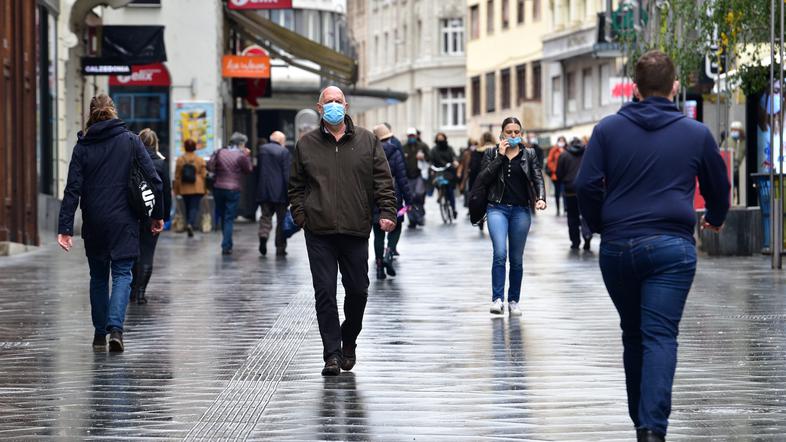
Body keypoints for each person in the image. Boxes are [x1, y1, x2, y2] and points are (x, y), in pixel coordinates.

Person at [575, 50, 730, 442]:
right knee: (660, 335)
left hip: (618, 247)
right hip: (670, 248)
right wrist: (715, 215)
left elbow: (586, 185)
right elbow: (718, 185)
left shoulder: (608, 130)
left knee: (633, 333)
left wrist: (599, 225)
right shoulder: (695, 133)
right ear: (674, 87)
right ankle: (651, 429)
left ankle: (640, 421)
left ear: (635, 87)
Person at [289, 86, 397, 376]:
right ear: (320, 107)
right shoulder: (306, 144)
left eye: (339, 101)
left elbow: (383, 181)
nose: (334, 105)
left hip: (355, 229)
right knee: (324, 292)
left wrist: (387, 212)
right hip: (319, 231)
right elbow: (296, 186)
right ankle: (332, 354)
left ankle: (349, 340)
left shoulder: (368, 141)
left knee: (358, 291)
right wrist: (302, 216)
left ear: (346, 106)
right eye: (329, 102)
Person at [57, 95, 164, 352]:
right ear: (114, 112)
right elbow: (154, 179)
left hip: (94, 220)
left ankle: (98, 334)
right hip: (124, 219)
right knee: (122, 274)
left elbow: (72, 189)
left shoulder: (82, 146)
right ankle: (116, 329)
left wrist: (65, 228)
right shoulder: (131, 141)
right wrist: (156, 215)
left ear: (91, 114)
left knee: (98, 276)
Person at [476, 117, 547, 316]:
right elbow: (482, 178)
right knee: (500, 253)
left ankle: (514, 300)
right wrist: (499, 156)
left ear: (521, 133)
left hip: (520, 211)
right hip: (497, 209)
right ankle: (497, 299)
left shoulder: (529, 154)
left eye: (517, 132)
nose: (514, 135)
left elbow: (537, 177)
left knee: (516, 259)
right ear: (502, 133)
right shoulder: (491, 152)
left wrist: (540, 198)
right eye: (509, 132)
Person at [130, 129, 171, 305]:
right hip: (152, 213)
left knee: (132, 252)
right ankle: (140, 293)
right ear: (155, 144)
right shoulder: (160, 164)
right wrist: (163, 215)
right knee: (147, 253)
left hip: (131, 212)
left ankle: (132, 288)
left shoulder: (131, 160)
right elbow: (165, 191)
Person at [372, 124, 413, 279]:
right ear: (389, 137)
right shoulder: (395, 152)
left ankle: (379, 266)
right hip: (393, 195)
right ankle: (389, 253)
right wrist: (409, 200)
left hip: (374, 197)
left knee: (378, 234)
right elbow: (402, 179)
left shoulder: (370, 153)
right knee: (395, 227)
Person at [207, 132, 253, 255]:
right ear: (241, 144)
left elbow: (210, 166)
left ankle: (228, 242)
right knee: (229, 218)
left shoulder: (220, 151)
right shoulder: (241, 155)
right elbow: (248, 169)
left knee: (223, 216)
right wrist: (247, 156)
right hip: (233, 189)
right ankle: (226, 245)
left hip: (218, 187)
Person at [256, 131, 291, 257]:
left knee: (265, 216)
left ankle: (263, 236)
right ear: (281, 141)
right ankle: (280, 248)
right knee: (281, 221)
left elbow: (258, 170)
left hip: (264, 190)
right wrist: (290, 192)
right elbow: (287, 175)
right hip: (280, 192)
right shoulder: (284, 152)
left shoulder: (262, 150)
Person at [556, 137, 592, 251]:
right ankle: (587, 235)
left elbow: (559, 173)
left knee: (572, 217)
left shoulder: (564, 155)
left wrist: (565, 181)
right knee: (586, 214)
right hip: (585, 189)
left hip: (570, 190)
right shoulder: (588, 153)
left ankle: (575, 242)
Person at [174, 139, 207, 237]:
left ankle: (189, 223)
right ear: (195, 148)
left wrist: (176, 190)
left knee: (187, 207)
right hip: (198, 187)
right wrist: (205, 188)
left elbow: (177, 175)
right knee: (194, 206)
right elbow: (204, 174)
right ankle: (190, 224)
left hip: (184, 187)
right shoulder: (199, 159)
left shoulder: (180, 159)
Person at [402, 127, 430, 228]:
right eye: (409, 136)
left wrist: (424, 157)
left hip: (419, 175)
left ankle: (420, 216)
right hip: (407, 176)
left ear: (416, 136)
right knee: (409, 198)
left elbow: (430, 158)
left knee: (419, 195)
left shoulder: (423, 146)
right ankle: (411, 220)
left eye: (413, 136)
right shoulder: (403, 147)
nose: (411, 138)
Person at [430, 132, 459, 219]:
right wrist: (431, 168)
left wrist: (454, 161)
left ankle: (453, 208)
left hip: (448, 171)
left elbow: (454, 157)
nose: (440, 140)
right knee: (437, 183)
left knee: (450, 191)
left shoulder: (449, 148)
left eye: (442, 138)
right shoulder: (433, 150)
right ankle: (440, 194)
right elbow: (431, 160)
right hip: (438, 171)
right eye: (439, 139)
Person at [546, 136, 566, 216]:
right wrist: (555, 169)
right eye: (560, 141)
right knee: (557, 193)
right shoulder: (554, 150)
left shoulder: (566, 149)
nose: (561, 142)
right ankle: (558, 209)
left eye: (563, 141)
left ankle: (565, 209)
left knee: (564, 192)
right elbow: (549, 161)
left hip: (565, 175)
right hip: (556, 175)